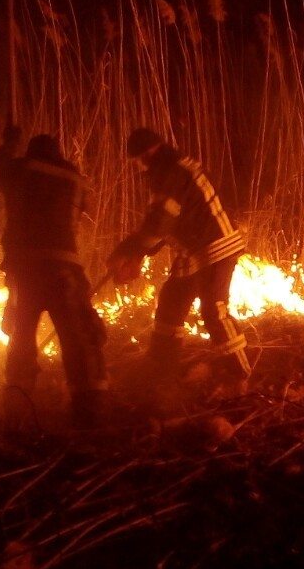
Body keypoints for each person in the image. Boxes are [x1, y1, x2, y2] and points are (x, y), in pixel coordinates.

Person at [107, 128, 251, 392]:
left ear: (147, 154)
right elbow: (166, 224)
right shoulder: (173, 169)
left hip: (215, 246)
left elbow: (160, 222)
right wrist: (134, 251)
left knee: (213, 310)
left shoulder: (172, 173)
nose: (138, 169)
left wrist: (132, 250)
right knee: (171, 301)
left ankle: (240, 375)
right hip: (194, 251)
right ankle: (162, 364)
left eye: (137, 162)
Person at [0, 125, 108, 429]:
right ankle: (89, 414)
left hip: (25, 270)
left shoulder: (21, 168)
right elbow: (84, 210)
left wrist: (11, 141)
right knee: (79, 339)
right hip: (64, 267)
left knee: (22, 338)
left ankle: (18, 407)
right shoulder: (74, 177)